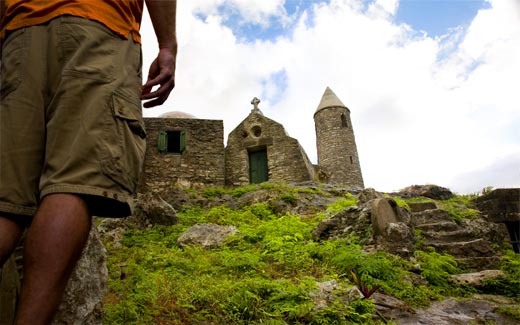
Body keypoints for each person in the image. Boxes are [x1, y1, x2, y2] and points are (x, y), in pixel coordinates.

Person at [0, 0, 177, 323]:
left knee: (5, 202)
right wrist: (167, 44)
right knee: (72, 185)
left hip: (19, 36)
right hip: (100, 23)